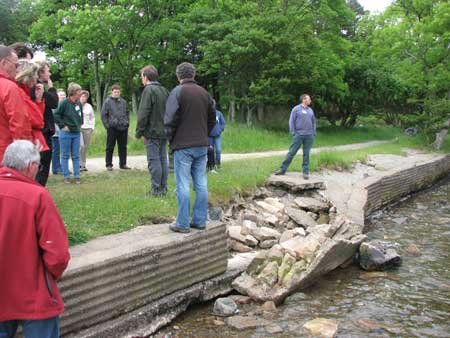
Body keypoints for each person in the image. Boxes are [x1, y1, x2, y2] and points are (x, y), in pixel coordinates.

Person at [0, 140, 70, 338]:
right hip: (34, 291)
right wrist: (50, 277)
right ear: (31, 166)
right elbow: (58, 254)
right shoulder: (38, 195)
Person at [164, 62, 216, 233]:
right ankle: (200, 220)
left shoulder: (177, 92)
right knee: (201, 183)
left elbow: (170, 119)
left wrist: (170, 139)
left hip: (183, 145)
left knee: (183, 184)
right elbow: (212, 119)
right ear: (194, 75)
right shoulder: (205, 93)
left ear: (178, 76)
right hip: (201, 144)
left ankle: (182, 223)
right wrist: (204, 134)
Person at [135, 65, 169, 196]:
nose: (141, 79)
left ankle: (156, 190)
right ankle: (163, 189)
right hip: (164, 131)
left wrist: (139, 132)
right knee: (163, 160)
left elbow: (143, 113)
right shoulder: (164, 90)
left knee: (154, 161)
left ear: (146, 77)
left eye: (141, 76)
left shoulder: (148, 90)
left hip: (152, 132)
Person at [0, 45, 33, 164]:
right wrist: (27, 157)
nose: (18, 69)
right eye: (16, 65)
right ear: (4, 63)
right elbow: (20, 125)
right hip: (5, 158)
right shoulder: (9, 88)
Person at [274, 94, 316, 179]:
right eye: (309, 99)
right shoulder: (296, 109)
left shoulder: (310, 110)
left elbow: (314, 122)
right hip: (298, 135)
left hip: (309, 136)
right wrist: (293, 133)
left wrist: (313, 132)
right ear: (304, 99)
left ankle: (305, 172)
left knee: (306, 154)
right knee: (291, 152)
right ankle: (282, 169)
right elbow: (291, 121)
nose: (310, 100)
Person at [32, 61, 59, 186]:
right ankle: (38, 191)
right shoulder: (38, 88)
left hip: (41, 130)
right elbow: (54, 102)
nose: (50, 73)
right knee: (42, 165)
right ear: (41, 72)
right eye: (48, 70)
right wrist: (52, 88)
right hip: (41, 131)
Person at [15, 61, 49, 156]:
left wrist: (38, 100)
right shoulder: (19, 93)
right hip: (27, 141)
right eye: (35, 74)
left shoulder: (25, 93)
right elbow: (37, 121)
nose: (36, 78)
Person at [53, 83, 83, 184]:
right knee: (65, 155)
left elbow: (80, 114)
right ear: (73, 93)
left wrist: (80, 123)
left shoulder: (78, 103)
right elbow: (56, 115)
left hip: (76, 132)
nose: (81, 93)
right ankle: (66, 176)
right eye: (79, 91)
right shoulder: (64, 103)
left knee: (76, 155)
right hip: (66, 133)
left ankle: (77, 176)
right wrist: (62, 126)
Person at [101, 84, 130, 171]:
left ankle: (123, 164)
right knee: (110, 147)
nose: (116, 93)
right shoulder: (107, 102)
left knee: (123, 147)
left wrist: (127, 122)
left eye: (118, 92)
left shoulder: (124, 102)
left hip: (123, 128)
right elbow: (103, 115)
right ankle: (109, 164)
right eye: (115, 92)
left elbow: (127, 113)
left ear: (120, 92)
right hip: (112, 128)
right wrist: (107, 126)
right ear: (112, 92)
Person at [79, 90, 95, 172]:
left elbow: (92, 117)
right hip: (79, 128)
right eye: (82, 96)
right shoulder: (76, 105)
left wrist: (92, 127)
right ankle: (78, 163)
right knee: (80, 146)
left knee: (85, 147)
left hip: (87, 128)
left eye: (85, 97)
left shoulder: (89, 106)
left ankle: (83, 164)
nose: (83, 98)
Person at [51, 89, 66, 175]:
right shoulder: (54, 107)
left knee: (62, 151)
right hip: (55, 133)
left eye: (64, 95)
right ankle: (55, 167)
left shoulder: (65, 106)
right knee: (55, 151)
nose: (63, 97)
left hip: (63, 132)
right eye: (61, 95)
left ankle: (60, 166)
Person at [209, 101, 226, 169]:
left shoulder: (219, 113)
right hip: (209, 136)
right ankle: (211, 165)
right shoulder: (207, 114)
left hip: (217, 135)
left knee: (218, 150)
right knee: (210, 151)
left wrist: (220, 130)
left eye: (213, 104)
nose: (213, 106)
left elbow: (223, 123)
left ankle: (218, 163)